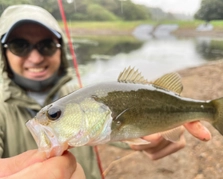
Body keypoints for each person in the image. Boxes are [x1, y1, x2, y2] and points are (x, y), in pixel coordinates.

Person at [0, 4, 211, 179]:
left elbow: (121, 133)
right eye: (20, 45)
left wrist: (155, 140)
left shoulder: (77, 94)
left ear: (60, 49)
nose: (35, 57)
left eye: (46, 45)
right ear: (4, 51)